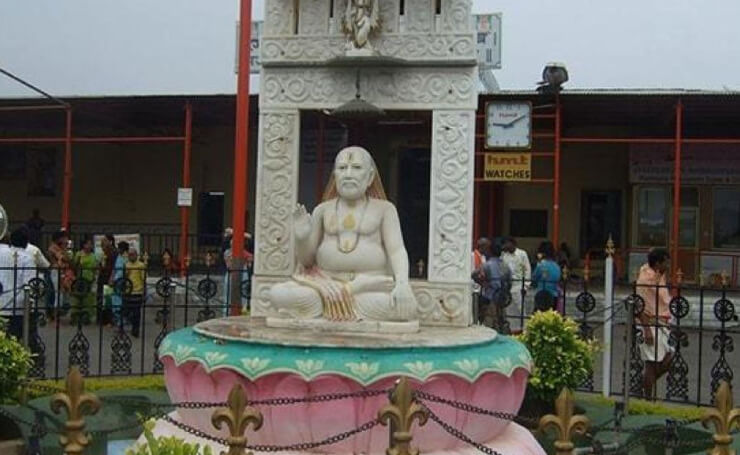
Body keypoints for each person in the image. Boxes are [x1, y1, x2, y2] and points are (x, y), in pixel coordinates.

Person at [269, 146, 417, 323]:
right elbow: (307, 261)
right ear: (335, 175)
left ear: (370, 177)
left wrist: (402, 284)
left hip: (369, 290)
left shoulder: (385, 209)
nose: (348, 174)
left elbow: (397, 250)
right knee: (279, 293)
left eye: (356, 168)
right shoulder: (322, 210)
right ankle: (345, 296)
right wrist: (301, 238)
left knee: (403, 308)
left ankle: (341, 299)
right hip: (325, 286)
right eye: (342, 168)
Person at [635, 248, 673, 399]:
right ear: (658, 263)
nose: (669, 265)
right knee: (651, 363)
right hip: (649, 323)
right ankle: (647, 398)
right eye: (666, 262)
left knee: (670, 357)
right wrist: (647, 330)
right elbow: (640, 306)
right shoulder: (645, 279)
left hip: (662, 322)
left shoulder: (658, 275)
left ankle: (644, 384)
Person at [473, 243, 511, 329]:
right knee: (501, 318)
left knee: (489, 320)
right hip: (502, 297)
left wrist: (482, 283)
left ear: (490, 252)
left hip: (490, 296)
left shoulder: (487, 265)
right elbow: (510, 282)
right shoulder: (506, 266)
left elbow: (474, 275)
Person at [0, 229, 36, 316]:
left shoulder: (2, 253)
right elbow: (30, 283)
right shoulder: (27, 258)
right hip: (17, 306)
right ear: (27, 243)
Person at [501, 237, 532, 332]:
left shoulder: (522, 254)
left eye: (507, 243)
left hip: (518, 285)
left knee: (520, 309)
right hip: (507, 286)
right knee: (509, 309)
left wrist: (526, 286)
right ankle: (513, 330)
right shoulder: (503, 255)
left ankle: (525, 330)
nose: (505, 246)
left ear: (513, 244)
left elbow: (527, 270)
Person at [71, 236, 98, 324]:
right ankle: (75, 316)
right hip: (79, 279)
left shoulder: (93, 256)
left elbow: (95, 267)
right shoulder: (79, 254)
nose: (90, 246)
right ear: (84, 245)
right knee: (77, 298)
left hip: (89, 278)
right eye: (88, 244)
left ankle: (87, 316)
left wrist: (94, 276)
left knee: (88, 298)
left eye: (91, 244)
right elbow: (74, 265)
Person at [47, 229, 73, 317]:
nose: (66, 240)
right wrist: (64, 249)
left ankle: (60, 312)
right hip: (56, 270)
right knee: (58, 292)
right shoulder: (53, 248)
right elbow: (63, 258)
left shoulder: (62, 248)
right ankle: (54, 314)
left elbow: (69, 259)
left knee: (63, 292)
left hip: (63, 271)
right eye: (64, 238)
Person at [531, 241, 562, 312]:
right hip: (554, 295)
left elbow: (534, 278)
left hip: (542, 295)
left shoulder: (541, 265)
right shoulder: (556, 266)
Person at [124, 248, 146, 337]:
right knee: (128, 311)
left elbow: (144, 278)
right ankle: (128, 327)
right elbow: (124, 277)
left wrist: (144, 291)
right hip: (128, 291)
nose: (131, 256)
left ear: (136, 255)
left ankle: (135, 330)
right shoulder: (126, 265)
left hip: (137, 291)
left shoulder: (141, 265)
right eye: (129, 255)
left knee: (137, 312)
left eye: (133, 254)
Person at [97, 234, 117, 326]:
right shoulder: (103, 253)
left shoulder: (113, 253)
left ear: (110, 242)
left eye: (104, 241)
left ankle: (108, 319)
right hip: (102, 278)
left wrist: (111, 278)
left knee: (107, 299)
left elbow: (113, 267)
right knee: (101, 298)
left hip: (108, 279)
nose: (102, 243)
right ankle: (101, 319)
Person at [111, 241, 129, 327]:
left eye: (120, 248)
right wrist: (111, 278)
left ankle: (123, 319)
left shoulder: (127, 258)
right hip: (116, 280)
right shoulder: (118, 257)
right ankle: (117, 317)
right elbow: (114, 269)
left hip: (123, 281)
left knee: (123, 300)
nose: (118, 250)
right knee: (115, 299)